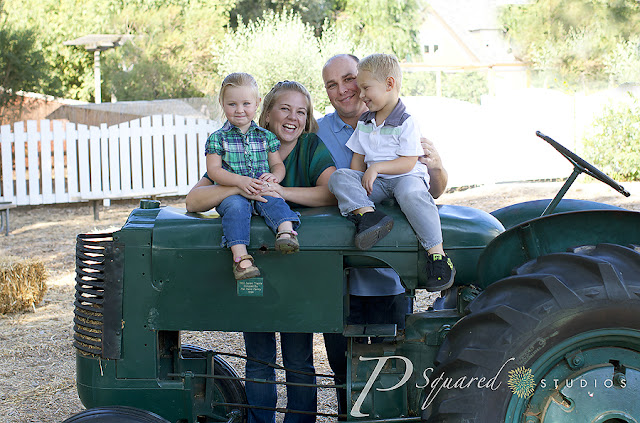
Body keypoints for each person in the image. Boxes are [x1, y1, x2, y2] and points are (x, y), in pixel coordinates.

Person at [186, 80, 336, 423]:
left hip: (296, 264)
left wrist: (279, 191)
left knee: (298, 358)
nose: (293, 118)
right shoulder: (241, 151)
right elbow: (194, 200)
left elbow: (329, 193)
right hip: (251, 268)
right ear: (266, 112)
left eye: (301, 111)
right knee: (259, 356)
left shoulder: (310, 147)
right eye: (284, 109)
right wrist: (239, 184)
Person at [316, 53, 450, 417]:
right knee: (343, 365)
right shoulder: (319, 131)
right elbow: (334, 177)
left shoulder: (403, 120)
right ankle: (347, 415)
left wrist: (436, 166)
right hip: (341, 270)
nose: (345, 90)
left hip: (389, 272)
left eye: (351, 80)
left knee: (394, 361)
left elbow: (430, 189)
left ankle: (394, 416)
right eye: (333, 85)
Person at [328, 53, 455, 288]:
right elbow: (358, 158)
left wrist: (376, 167)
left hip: (405, 178)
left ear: (389, 84)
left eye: (366, 88)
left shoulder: (406, 121)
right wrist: (358, 184)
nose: (362, 95)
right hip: (378, 183)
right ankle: (369, 216)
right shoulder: (366, 122)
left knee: (412, 194)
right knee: (340, 177)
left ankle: (437, 254)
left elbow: (408, 162)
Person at [205, 73, 301, 280]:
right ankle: (241, 260)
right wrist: (239, 181)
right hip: (232, 192)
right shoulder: (217, 138)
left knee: (273, 198)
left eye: (246, 103)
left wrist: (274, 177)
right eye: (232, 104)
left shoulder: (266, 137)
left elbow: (277, 164)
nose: (239, 110)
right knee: (236, 209)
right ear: (222, 103)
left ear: (257, 103)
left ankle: (286, 233)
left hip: (259, 185)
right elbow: (214, 170)